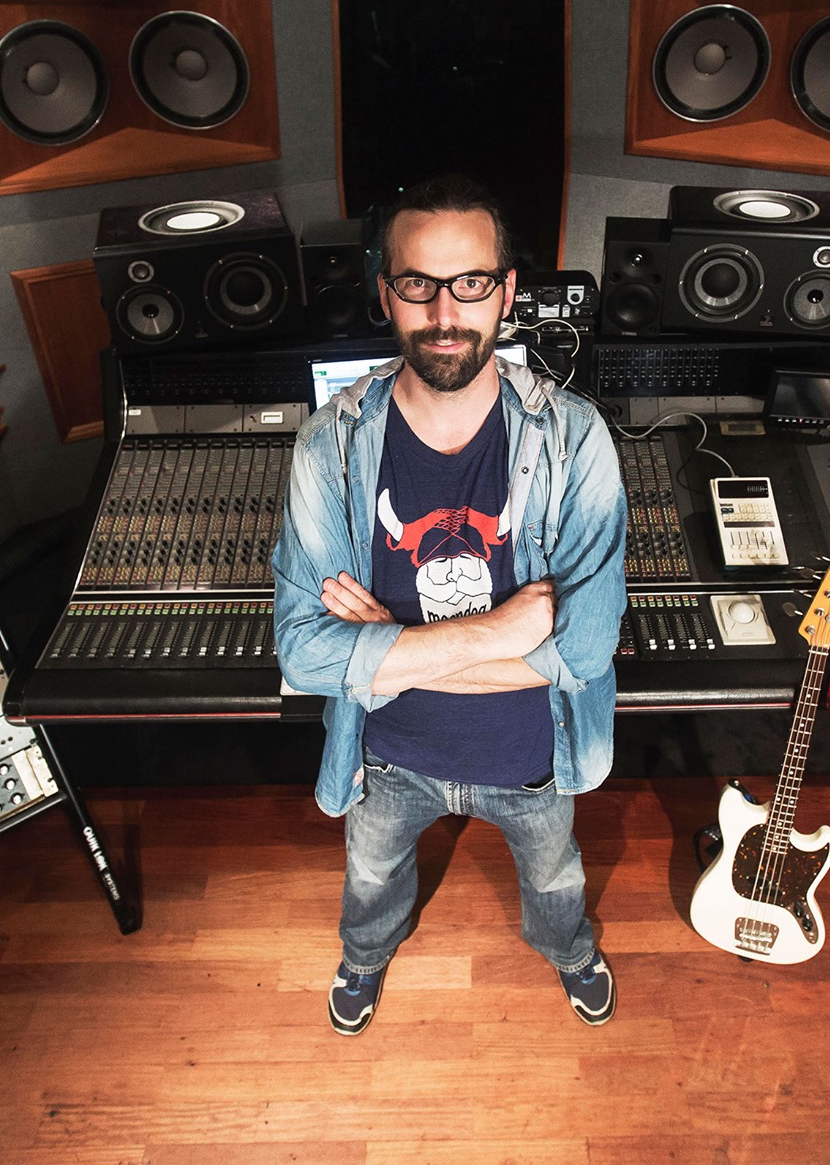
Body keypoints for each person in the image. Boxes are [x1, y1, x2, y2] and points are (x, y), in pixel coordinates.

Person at [272, 175, 627, 1036]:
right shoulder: (329, 443)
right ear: (383, 290)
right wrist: (502, 632)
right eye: (416, 284)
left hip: (534, 751)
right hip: (385, 755)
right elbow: (300, 654)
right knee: (369, 878)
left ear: (506, 290)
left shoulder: (576, 435)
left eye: (470, 283)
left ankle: (570, 950)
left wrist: (386, 652)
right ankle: (364, 959)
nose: (444, 310)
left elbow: (583, 648)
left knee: (555, 879)